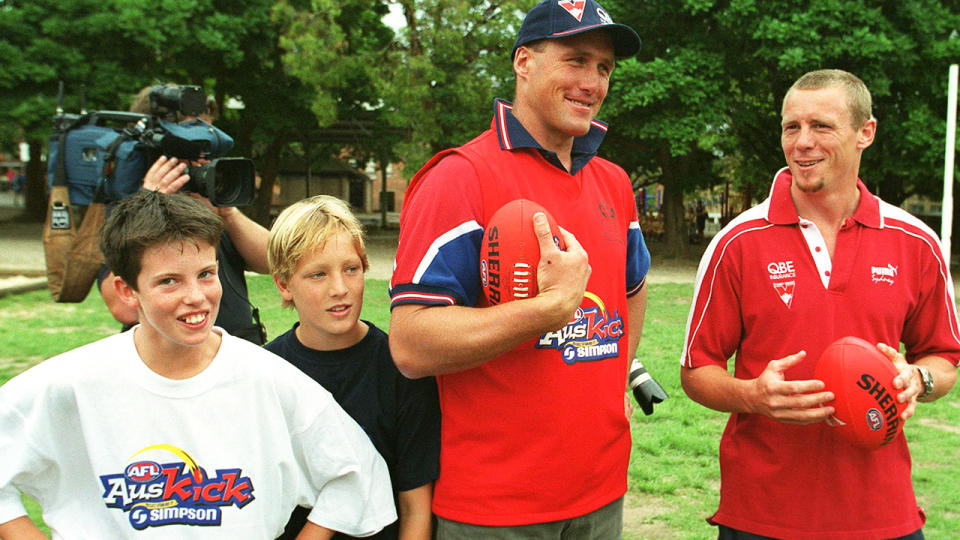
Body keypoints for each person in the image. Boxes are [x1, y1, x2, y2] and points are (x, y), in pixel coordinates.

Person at [388, 1, 650, 536]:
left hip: (601, 491)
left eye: (604, 68)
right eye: (576, 60)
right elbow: (411, 345)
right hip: (496, 508)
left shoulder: (615, 183)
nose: (592, 82)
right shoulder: (459, 177)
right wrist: (546, 311)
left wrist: (614, 378)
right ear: (524, 62)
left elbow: (633, 286)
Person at [0, 190, 396, 538]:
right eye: (169, 281)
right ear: (127, 290)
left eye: (206, 274)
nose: (196, 297)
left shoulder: (270, 380)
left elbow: (357, 474)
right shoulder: (72, 384)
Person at [681, 69, 960, 539]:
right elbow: (696, 370)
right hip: (762, 514)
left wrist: (918, 378)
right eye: (792, 127)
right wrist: (752, 396)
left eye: (821, 126)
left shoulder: (916, 242)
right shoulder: (738, 241)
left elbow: (945, 360)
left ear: (864, 133)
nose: (802, 142)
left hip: (882, 514)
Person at [264, 195, 440, 540]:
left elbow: (415, 508)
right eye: (317, 274)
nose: (340, 289)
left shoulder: (402, 368)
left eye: (351, 269)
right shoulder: (265, 371)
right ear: (284, 285)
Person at [99, 87, 269, 344]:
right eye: (191, 145)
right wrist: (148, 204)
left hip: (234, 351)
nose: (202, 158)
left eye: (208, 144)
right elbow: (122, 308)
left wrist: (227, 214)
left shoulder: (210, 197)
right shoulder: (127, 205)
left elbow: (274, 261)